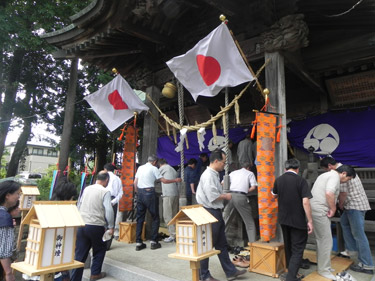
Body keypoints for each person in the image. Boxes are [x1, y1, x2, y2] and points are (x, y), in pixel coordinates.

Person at [196, 149, 247, 281]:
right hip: (209, 211)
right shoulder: (208, 175)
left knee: (222, 244)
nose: (224, 165)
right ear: (216, 161)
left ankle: (230, 271)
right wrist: (226, 195)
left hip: (214, 212)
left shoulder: (213, 174)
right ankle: (204, 275)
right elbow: (212, 196)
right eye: (223, 162)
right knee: (206, 246)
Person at [320, 156, 374, 275]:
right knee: (344, 223)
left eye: (325, 169)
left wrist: (339, 206)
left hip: (355, 206)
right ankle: (351, 250)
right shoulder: (343, 169)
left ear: (329, 167)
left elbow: (343, 194)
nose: (326, 172)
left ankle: (367, 264)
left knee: (359, 235)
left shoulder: (341, 174)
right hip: (353, 205)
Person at [310, 164, 356, 280]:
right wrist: (333, 208)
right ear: (344, 173)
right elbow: (329, 193)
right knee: (326, 241)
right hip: (320, 210)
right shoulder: (335, 177)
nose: (346, 182)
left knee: (322, 240)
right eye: (347, 179)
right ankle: (323, 270)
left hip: (316, 209)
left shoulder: (327, 174)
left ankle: (324, 266)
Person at [272, 159, 313, 281]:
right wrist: (310, 220)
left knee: (289, 246)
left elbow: (273, 195)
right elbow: (305, 201)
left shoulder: (278, 180)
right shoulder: (301, 181)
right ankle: (291, 277)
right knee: (298, 248)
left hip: (283, 219)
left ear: (285, 169)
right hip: (297, 220)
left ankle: (291, 272)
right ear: (298, 169)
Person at [70, 171, 114, 281]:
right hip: (96, 225)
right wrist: (111, 226)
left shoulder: (87, 189)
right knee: (99, 249)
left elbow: (79, 204)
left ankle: (75, 278)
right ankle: (95, 274)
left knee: (80, 254)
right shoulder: (105, 191)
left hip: (82, 223)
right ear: (106, 180)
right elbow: (109, 210)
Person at [133, 155, 181, 251]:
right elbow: (164, 181)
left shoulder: (140, 168)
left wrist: (138, 193)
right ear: (155, 162)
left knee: (140, 218)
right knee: (155, 217)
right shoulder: (154, 169)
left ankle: (138, 242)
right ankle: (153, 241)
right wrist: (175, 180)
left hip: (140, 193)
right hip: (150, 193)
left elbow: (135, 183)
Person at [227, 162, 258, 243]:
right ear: (249, 167)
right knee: (249, 222)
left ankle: (221, 242)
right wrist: (245, 191)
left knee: (226, 220)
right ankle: (252, 244)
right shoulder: (250, 173)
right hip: (240, 196)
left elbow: (223, 182)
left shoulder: (233, 173)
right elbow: (253, 187)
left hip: (229, 196)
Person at [0, 180, 21, 281]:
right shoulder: (4, 217)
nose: (18, 197)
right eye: (17, 193)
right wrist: (8, 273)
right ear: (7, 195)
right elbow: (3, 250)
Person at [158, 158, 179, 243]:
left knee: (167, 215)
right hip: (175, 194)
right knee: (174, 215)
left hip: (168, 194)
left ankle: (172, 235)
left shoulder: (163, 168)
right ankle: (176, 233)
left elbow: (155, 177)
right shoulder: (173, 169)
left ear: (160, 164)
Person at [103, 163, 123, 241]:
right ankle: (108, 242)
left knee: (103, 221)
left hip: (104, 198)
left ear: (105, 169)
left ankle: (102, 240)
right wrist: (114, 201)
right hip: (113, 200)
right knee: (111, 221)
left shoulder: (103, 177)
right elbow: (121, 193)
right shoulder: (117, 179)